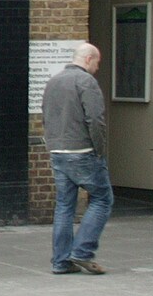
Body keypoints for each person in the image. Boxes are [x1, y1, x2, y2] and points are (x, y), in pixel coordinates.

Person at [42, 42, 112, 274]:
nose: (97, 68)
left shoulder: (54, 81)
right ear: (89, 59)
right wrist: (100, 150)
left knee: (64, 206)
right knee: (102, 199)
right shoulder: (86, 82)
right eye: (98, 62)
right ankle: (82, 252)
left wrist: (52, 144)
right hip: (82, 151)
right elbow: (95, 120)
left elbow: (46, 116)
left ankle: (61, 261)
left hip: (58, 151)